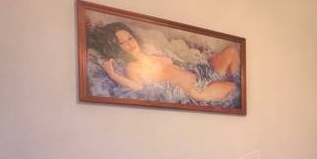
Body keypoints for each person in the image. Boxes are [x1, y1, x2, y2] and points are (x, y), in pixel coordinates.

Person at [90, 22, 240, 103]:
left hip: (201, 73)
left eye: (129, 38)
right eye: (122, 43)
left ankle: (231, 76)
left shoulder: (152, 52)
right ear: (117, 48)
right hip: (195, 89)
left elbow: (175, 62)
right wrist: (113, 75)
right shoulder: (132, 67)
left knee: (232, 51)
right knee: (235, 88)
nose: (130, 44)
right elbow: (138, 86)